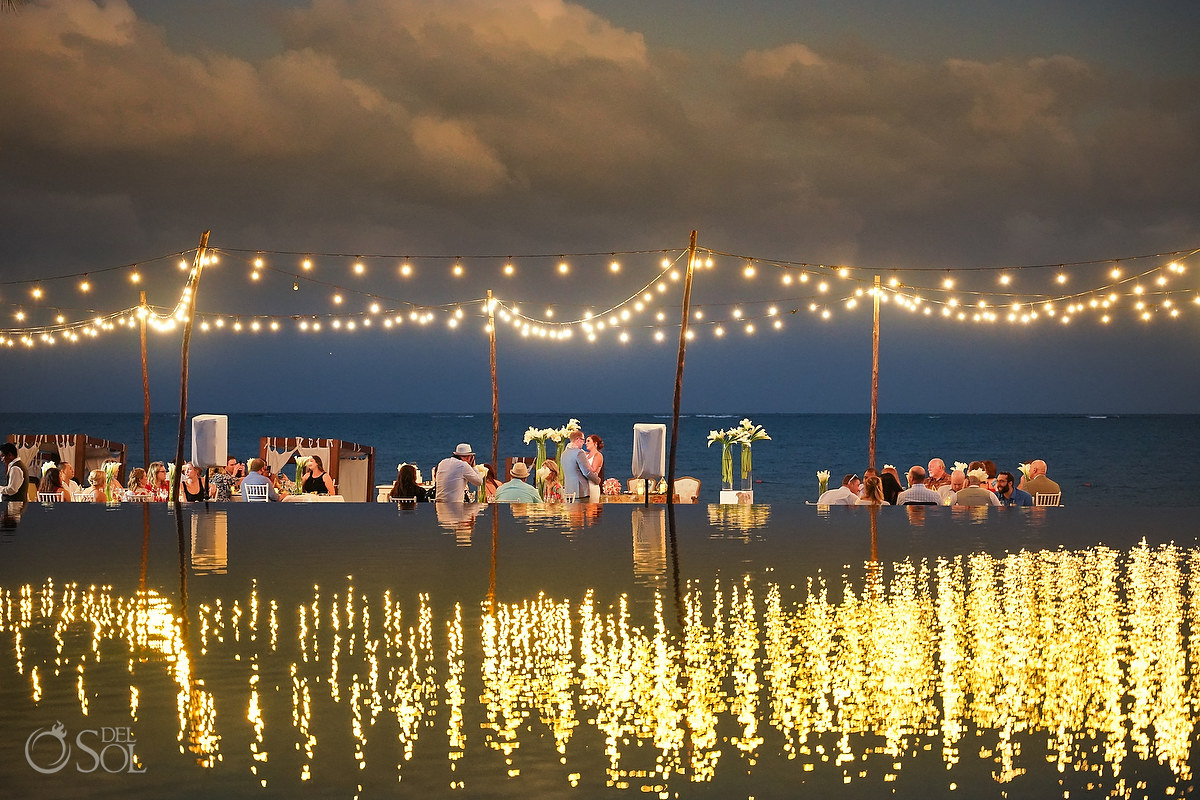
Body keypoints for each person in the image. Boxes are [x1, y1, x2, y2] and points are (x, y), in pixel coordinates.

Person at [562, 430, 599, 501]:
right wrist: (597, 480)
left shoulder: (564, 454)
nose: (583, 443)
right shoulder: (579, 453)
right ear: (577, 439)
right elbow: (586, 472)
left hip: (568, 491)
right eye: (583, 440)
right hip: (580, 491)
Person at [584, 434, 605, 503]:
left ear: (595, 443)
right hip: (585, 486)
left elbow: (593, 470)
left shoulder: (598, 455)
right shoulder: (586, 455)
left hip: (592, 485)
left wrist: (584, 459)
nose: (586, 443)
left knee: (592, 510)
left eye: (588, 441)